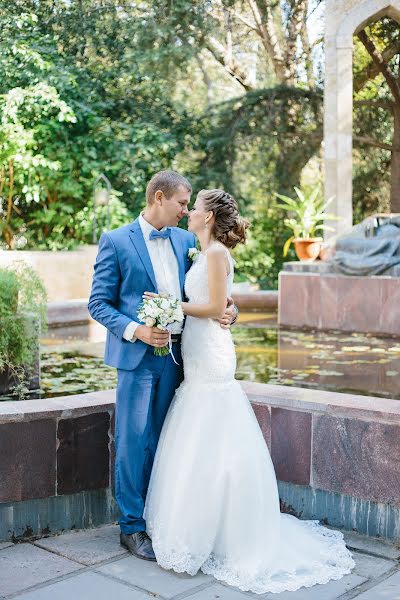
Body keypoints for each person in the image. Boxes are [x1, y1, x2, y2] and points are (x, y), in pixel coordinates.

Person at [143, 188, 355, 595]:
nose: (188, 214)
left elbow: (215, 306)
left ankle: (228, 533)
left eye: (194, 209)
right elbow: (220, 303)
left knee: (216, 429)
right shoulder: (202, 252)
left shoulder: (218, 254)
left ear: (207, 217)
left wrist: (175, 305)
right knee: (198, 433)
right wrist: (184, 305)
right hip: (198, 351)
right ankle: (198, 523)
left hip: (213, 352)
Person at [88, 171, 236, 561]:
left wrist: (230, 309)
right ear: (158, 197)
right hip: (137, 361)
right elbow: (98, 304)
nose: (186, 211)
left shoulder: (188, 241)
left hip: (181, 360)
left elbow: (214, 291)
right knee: (133, 443)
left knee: (168, 443)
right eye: (181, 204)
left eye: (190, 205)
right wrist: (136, 330)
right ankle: (132, 528)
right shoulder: (116, 241)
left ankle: (160, 520)